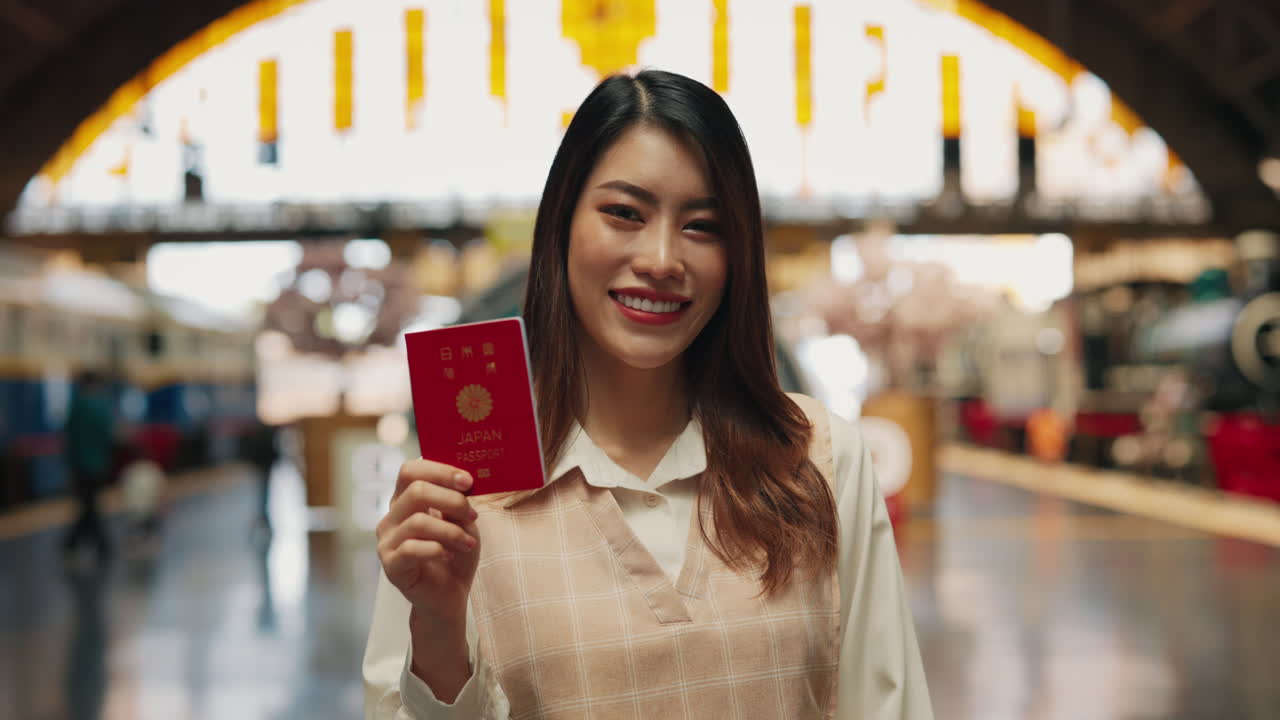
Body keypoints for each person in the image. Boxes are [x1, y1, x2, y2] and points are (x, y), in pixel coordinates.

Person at [363, 70, 932, 719]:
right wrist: (436, 625)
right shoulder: (464, 482)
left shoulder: (823, 460)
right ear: (561, 228)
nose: (662, 258)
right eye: (625, 214)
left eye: (702, 225)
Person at [62, 370, 116, 563]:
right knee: (90, 505)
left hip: (80, 464)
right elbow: (106, 433)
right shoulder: (100, 405)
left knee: (88, 504)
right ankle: (100, 545)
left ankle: (75, 544)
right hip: (97, 463)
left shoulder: (77, 404)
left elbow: (69, 435)